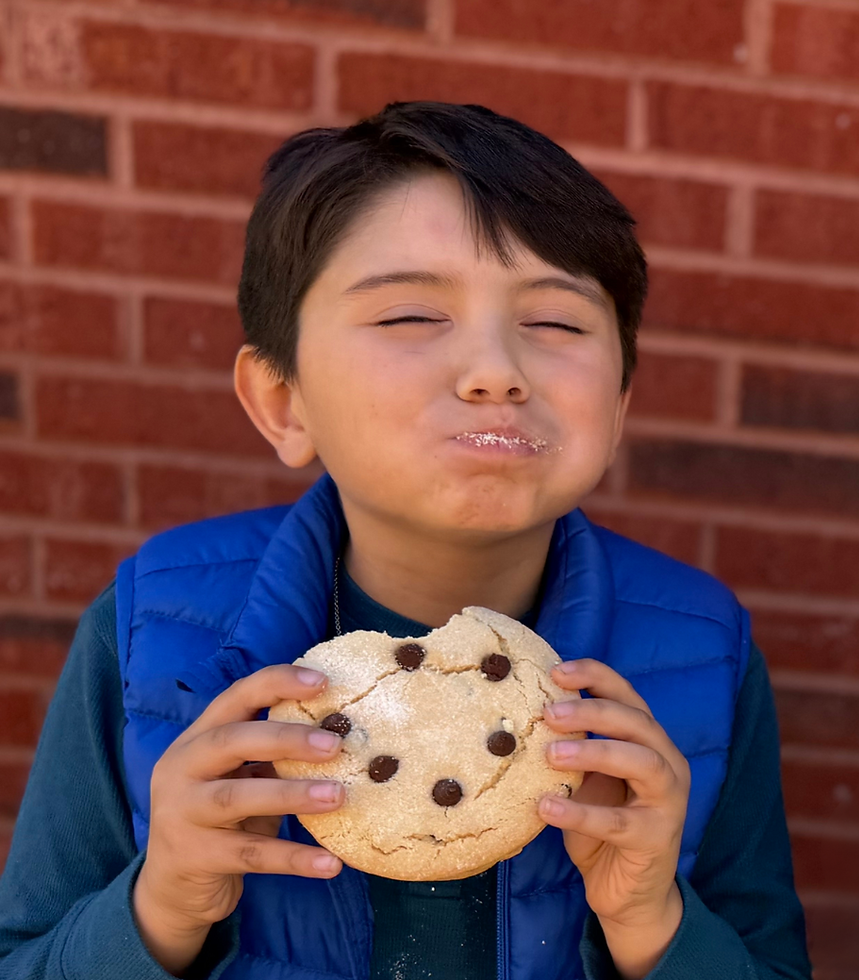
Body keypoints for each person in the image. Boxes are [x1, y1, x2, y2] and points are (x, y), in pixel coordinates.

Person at [0, 102, 810, 980]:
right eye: (410, 317)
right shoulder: (150, 630)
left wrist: (655, 924)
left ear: (616, 408)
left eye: (557, 323)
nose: (496, 370)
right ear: (282, 399)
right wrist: (157, 911)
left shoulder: (701, 649)